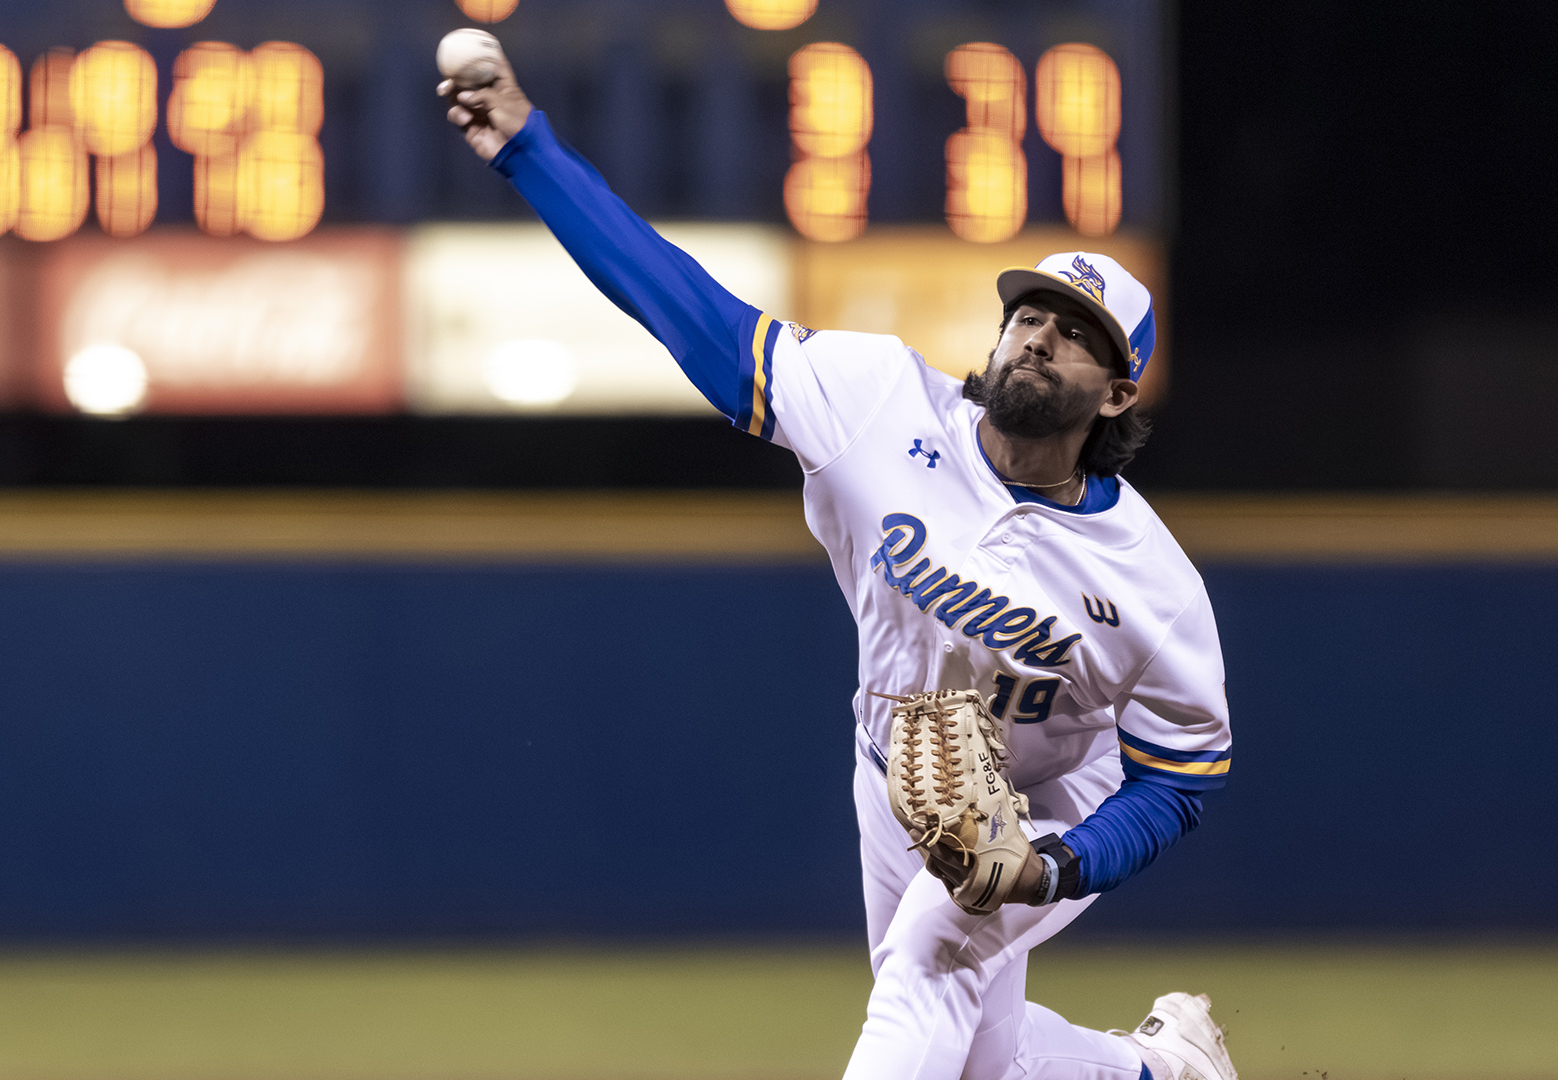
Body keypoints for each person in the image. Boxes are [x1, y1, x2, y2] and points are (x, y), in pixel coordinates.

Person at [441, 51, 1237, 1080]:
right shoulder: (877, 402)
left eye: (1076, 335)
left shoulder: (1150, 582)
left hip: (1045, 806)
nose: (1039, 338)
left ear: (1119, 395)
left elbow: (1182, 776)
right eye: (1030, 315)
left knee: (925, 966)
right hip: (891, 770)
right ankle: (1163, 1072)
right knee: (979, 1058)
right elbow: (687, 310)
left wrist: (1053, 865)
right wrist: (526, 149)